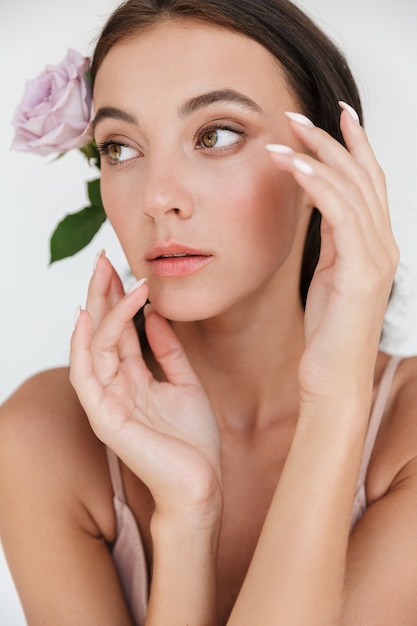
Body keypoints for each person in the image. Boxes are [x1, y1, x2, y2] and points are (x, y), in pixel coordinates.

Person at [0, 0, 416, 624]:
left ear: (327, 169)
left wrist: (334, 400)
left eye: (215, 135)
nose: (158, 197)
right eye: (120, 146)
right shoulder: (44, 434)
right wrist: (188, 519)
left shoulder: (405, 436)